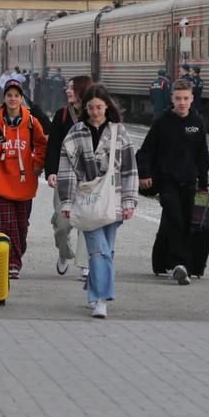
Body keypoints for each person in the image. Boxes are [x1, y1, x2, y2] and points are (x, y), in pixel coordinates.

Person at [57, 84, 139, 319]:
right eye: (91, 108)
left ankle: (93, 288)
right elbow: (67, 169)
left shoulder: (118, 131)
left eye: (99, 107)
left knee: (107, 251)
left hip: (113, 200)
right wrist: (66, 201)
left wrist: (129, 201)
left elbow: (129, 168)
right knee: (99, 251)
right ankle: (102, 299)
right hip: (86, 199)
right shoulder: (76, 132)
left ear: (107, 106)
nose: (95, 112)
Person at [137, 80, 209, 285]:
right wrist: (144, 174)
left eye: (186, 98)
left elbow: (202, 154)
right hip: (167, 181)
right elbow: (146, 151)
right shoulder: (163, 122)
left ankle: (160, 262)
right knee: (175, 219)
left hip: (188, 182)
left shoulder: (197, 123)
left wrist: (204, 181)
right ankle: (181, 265)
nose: (182, 102)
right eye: (178, 99)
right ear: (172, 99)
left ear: (192, 98)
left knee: (180, 222)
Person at [0, 80, 48, 279]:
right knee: (6, 223)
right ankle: (13, 262)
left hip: (24, 182)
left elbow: (42, 144)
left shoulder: (31, 122)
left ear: (22, 99)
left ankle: (17, 249)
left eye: (16, 96)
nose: (12, 99)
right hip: (1, 179)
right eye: (9, 95)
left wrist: (38, 164)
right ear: (4, 98)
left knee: (21, 225)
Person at [45, 75, 95, 279]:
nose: (67, 91)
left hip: (88, 179)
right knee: (62, 225)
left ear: (82, 91)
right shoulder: (62, 115)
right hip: (65, 176)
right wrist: (51, 172)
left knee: (86, 222)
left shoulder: (94, 114)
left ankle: (84, 263)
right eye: (67, 87)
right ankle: (64, 253)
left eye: (72, 88)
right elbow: (53, 146)